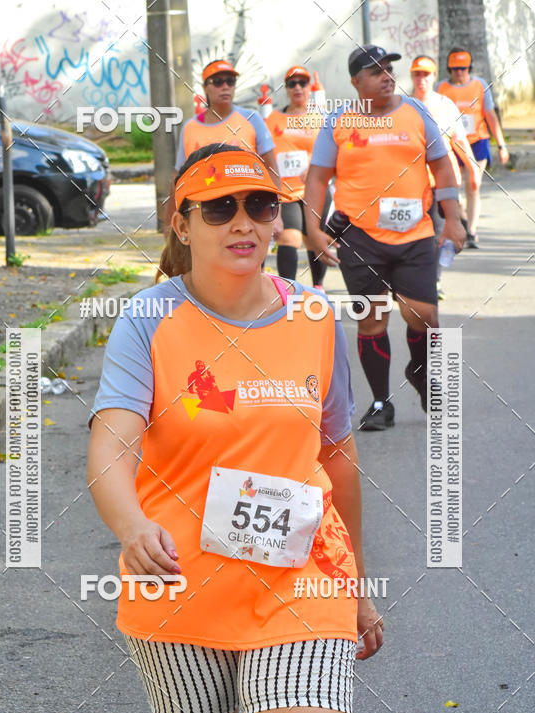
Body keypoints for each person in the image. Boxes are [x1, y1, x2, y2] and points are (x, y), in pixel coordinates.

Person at [88, 143, 385, 713]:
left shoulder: (316, 316)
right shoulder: (148, 319)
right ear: (180, 222)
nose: (243, 221)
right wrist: (130, 525)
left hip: (302, 581)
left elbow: (338, 460)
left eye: (259, 204)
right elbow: (109, 450)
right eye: (218, 207)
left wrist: (358, 585)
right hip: (180, 585)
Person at [305, 44, 465, 430]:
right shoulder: (339, 120)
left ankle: (421, 371)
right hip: (361, 236)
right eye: (375, 71)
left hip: (415, 234)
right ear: (356, 82)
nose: (386, 76)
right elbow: (317, 177)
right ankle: (380, 403)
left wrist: (454, 219)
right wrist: (313, 228)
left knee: (423, 315)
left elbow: (442, 168)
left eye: (388, 68)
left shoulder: (416, 114)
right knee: (371, 320)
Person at [164, 59, 281, 237]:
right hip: (207, 216)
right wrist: (169, 224)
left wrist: (276, 214)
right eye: (218, 82)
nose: (225, 86)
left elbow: (271, 168)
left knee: (250, 263)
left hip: (248, 214)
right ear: (205, 88)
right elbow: (177, 179)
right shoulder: (190, 128)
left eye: (230, 81)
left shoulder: (252, 119)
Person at [409, 55, 480, 299]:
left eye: (426, 74)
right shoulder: (403, 105)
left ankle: (434, 279)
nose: (421, 79)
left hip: (442, 181)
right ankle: (415, 279)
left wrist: (473, 168)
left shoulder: (445, 105)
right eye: (417, 74)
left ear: (433, 76)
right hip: (413, 185)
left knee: (443, 232)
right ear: (411, 76)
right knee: (416, 235)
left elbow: (459, 139)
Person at [437, 48, 509, 248]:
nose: (459, 72)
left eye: (463, 68)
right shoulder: (441, 88)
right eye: (455, 69)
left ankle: (471, 231)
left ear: (469, 68)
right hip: (453, 143)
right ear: (449, 69)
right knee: (453, 186)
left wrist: (501, 145)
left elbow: (491, 116)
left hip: (477, 141)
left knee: (474, 183)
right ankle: (462, 217)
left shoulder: (480, 85)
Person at [265, 65, 329, 289]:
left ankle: (318, 287)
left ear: (310, 87)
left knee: (314, 240)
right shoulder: (273, 118)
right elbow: (264, 152)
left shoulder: (319, 117)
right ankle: (287, 290)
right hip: (286, 192)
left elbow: (332, 149)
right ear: (286, 88)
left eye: (302, 82)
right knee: (288, 238)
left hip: (314, 190)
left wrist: (314, 164)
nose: (298, 87)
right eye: (292, 83)